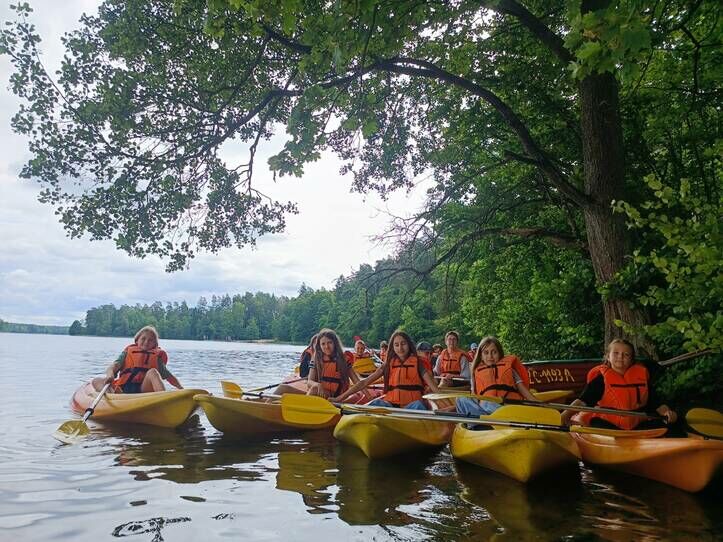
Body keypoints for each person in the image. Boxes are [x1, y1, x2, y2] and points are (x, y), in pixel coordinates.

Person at [561, 339, 678, 431]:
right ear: (608, 356)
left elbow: (656, 403)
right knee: (596, 423)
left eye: (626, 354)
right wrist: (565, 415)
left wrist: (666, 413)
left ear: (631, 359)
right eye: (616, 353)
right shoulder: (600, 380)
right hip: (607, 423)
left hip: (636, 424)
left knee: (669, 425)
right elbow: (582, 401)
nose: (620, 357)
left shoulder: (641, 378)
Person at [332, 330, 441, 410]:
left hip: (412, 406)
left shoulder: (418, 363)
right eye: (396, 345)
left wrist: (444, 406)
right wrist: (339, 398)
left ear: (409, 345)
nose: (400, 348)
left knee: (419, 405)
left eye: (403, 344)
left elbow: (434, 388)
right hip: (391, 406)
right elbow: (364, 383)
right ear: (393, 347)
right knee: (376, 403)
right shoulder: (387, 364)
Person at [455, 336, 538, 416]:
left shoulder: (510, 370)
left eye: (494, 352)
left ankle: (483, 422)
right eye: (486, 353)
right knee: (460, 399)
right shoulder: (476, 372)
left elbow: (526, 393)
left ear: (500, 354)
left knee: (487, 403)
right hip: (487, 411)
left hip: (508, 408)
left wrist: (540, 405)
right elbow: (475, 398)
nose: (490, 356)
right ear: (481, 356)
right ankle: (482, 423)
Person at [92, 326, 182, 393]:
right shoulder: (127, 352)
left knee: (153, 372)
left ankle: (163, 399)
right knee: (96, 381)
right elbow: (114, 366)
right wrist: (110, 375)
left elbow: (169, 377)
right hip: (123, 389)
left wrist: (181, 389)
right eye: (143, 339)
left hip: (144, 389)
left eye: (150, 340)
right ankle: (111, 396)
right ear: (137, 340)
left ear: (155, 344)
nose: (146, 342)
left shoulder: (156, 357)